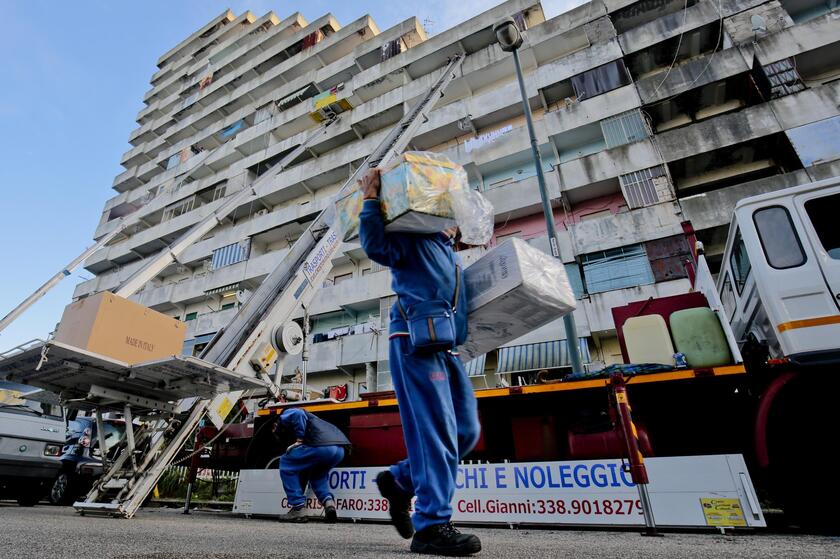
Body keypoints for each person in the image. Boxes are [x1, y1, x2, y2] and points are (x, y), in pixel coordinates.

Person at [358, 167, 482, 556]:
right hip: (415, 339)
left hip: (446, 347)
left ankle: (399, 481)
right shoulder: (412, 235)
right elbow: (375, 245)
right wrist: (370, 198)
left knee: (465, 431)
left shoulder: (449, 254)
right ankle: (431, 525)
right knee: (436, 432)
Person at [273, 407, 350, 523]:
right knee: (317, 476)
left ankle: (298, 508)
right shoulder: (315, 419)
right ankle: (329, 504)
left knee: (286, 462)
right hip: (339, 450)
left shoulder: (287, 413)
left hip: (322, 447)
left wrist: (299, 440)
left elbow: (297, 413)